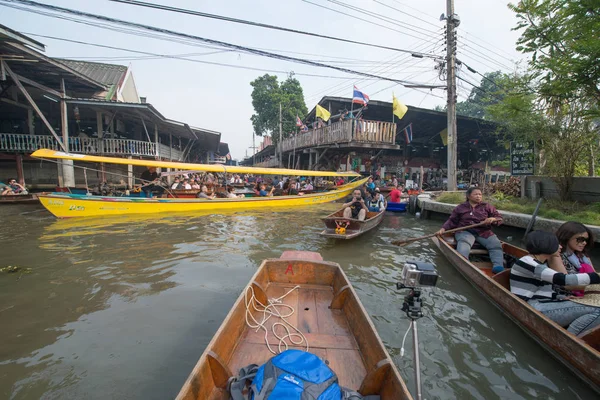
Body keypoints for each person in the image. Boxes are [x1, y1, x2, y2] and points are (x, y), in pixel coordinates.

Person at [510, 230, 600, 337]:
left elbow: (539, 290)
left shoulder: (537, 263)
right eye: (557, 244)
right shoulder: (529, 263)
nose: (560, 247)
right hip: (533, 309)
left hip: (539, 305)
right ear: (546, 245)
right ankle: (570, 339)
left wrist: (561, 297)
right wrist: (597, 277)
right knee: (597, 309)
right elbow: (562, 279)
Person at [435, 187, 504, 273]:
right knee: (464, 242)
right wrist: (443, 229)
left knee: (495, 245)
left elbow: (499, 218)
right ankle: (464, 263)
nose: (478, 196)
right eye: (476, 194)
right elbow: (452, 220)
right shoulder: (461, 207)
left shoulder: (487, 206)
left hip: (483, 232)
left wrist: (493, 219)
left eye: (480, 194)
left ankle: (498, 266)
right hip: (465, 231)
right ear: (468, 196)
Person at [549, 222, 596, 297]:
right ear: (567, 237)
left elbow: (595, 276)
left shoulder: (583, 256)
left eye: (586, 240)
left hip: (587, 295)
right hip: (565, 297)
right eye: (580, 239)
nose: (584, 243)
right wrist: (594, 287)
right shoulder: (556, 255)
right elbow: (566, 284)